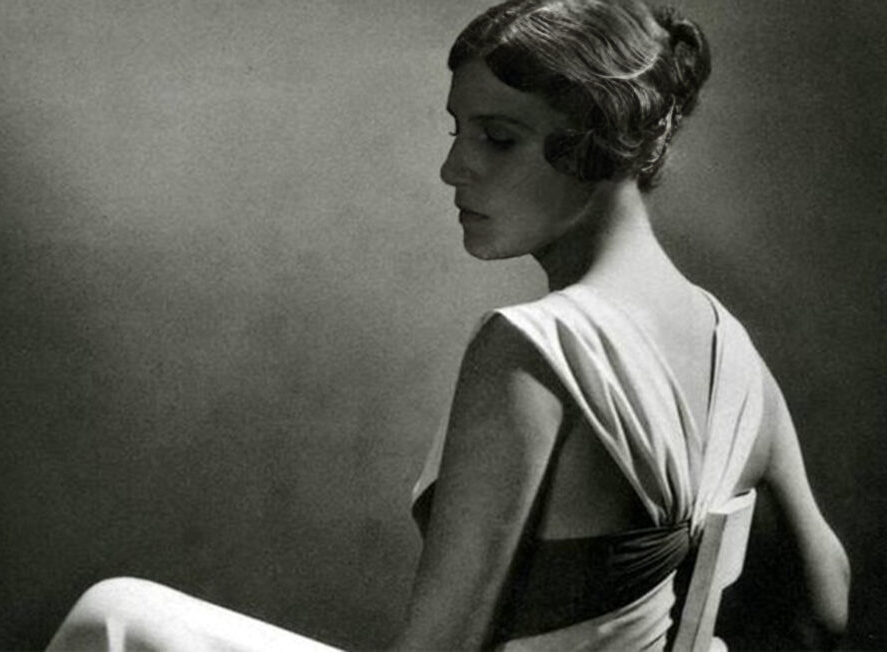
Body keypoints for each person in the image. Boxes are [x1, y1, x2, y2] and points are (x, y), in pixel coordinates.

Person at [47, 1, 850, 650]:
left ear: (602, 142)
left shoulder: (536, 352)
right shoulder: (732, 352)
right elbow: (825, 609)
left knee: (113, 619)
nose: (452, 168)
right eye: (456, 131)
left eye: (498, 138)